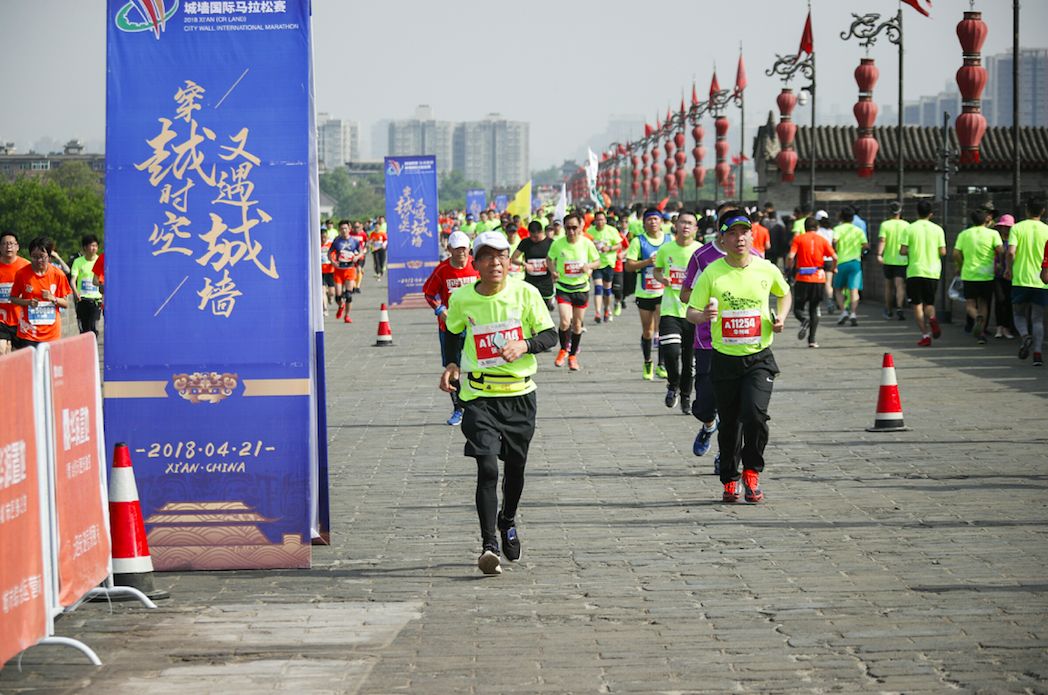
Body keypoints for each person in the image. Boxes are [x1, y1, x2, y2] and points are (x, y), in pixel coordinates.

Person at [439, 231, 557, 575]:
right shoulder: (462, 298)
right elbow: (452, 331)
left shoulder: (526, 293)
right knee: (488, 467)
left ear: (510, 261)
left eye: (501, 256)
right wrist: (451, 363)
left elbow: (550, 335)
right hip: (479, 395)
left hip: (520, 395)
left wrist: (525, 345)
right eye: (487, 256)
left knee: (515, 469)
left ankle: (508, 519)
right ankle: (488, 544)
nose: (495, 262)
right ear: (475, 263)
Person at [687, 210, 791, 504]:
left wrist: (780, 316)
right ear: (722, 237)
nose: (739, 238)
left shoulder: (765, 268)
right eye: (732, 233)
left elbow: (784, 293)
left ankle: (752, 472)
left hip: (758, 357)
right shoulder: (712, 273)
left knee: (755, 416)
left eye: (744, 232)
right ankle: (730, 479)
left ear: (752, 235)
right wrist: (704, 315)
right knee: (730, 422)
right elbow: (691, 312)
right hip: (724, 357)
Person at [424, 231, 480, 425]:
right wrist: (440, 310)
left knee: (478, 365)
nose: (461, 253)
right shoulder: (442, 270)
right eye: (456, 249)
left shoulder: (477, 266)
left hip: (476, 327)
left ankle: (477, 406)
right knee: (453, 368)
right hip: (450, 327)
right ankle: (458, 409)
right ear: (449, 250)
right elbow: (429, 293)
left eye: (464, 249)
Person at [653, 208, 701, 412]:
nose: (686, 226)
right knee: (671, 353)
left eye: (690, 223)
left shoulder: (701, 251)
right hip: (670, 310)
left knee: (689, 361)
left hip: (693, 312)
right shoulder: (666, 249)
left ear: (695, 228)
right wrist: (661, 278)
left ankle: (686, 397)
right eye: (683, 222)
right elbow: (656, 270)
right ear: (676, 225)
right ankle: (673, 384)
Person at [547, 212, 600, 371]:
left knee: (577, 325)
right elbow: (549, 259)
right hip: (563, 287)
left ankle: (573, 356)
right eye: (568, 228)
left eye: (574, 228)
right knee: (564, 321)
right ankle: (563, 349)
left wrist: (588, 267)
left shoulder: (586, 243)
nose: (571, 231)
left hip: (581, 288)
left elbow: (597, 261)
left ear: (581, 226)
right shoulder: (558, 244)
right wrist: (553, 271)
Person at [625, 209, 670, 380]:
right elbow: (629, 266)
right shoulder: (638, 241)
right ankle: (647, 361)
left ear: (661, 222)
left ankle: (662, 364)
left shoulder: (669, 240)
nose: (653, 222)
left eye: (655, 219)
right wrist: (646, 263)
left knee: (663, 329)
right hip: (644, 291)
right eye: (649, 219)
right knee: (648, 331)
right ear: (644, 223)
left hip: (663, 291)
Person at [1006, 198, 1048, 366]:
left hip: (1021, 279)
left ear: (1027, 211)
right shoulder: (1047, 230)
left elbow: (1010, 252)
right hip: (1042, 281)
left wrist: (1008, 268)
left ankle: (1025, 336)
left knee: (1018, 314)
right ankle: (1037, 354)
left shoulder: (1017, 228)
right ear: (1043, 211)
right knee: (1037, 319)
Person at [11, 237, 73, 348]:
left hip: (51, 333)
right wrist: (28, 302)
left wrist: (53, 298)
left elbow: (66, 303)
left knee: (49, 365)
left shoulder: (58, 274)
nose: (38, 260)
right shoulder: (22, 274)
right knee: (31, 365)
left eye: (42, 257)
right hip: (28, 332)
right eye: (34, 257)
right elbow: (13, 298)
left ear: (49, 256)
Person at [900, 200, 947, 347]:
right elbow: (943, 252)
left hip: (914, 270)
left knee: (917, 305)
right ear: (931, 214)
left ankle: (925, 335)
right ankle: (932, 319)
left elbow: (902, 250)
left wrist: (912, 250)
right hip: (932, 271)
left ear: (916, 212)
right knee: (929, 302)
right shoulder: (938, 229)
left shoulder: (909, 228)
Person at [953, 209, 1002, 344]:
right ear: (986, 220)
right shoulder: (993, 234)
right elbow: (1000, 250)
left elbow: (956, 253)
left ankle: (976, 318)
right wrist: (997, 263)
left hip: (969, 274)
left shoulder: (964, 234)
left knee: (970, 304)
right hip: (987, 275)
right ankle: (981, 333)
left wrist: (961, 265)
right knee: (984, 303)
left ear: (972, 220)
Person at [787, 216, 837, 348]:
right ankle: (812, 340)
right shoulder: (823, 240)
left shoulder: (798, 239)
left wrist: (790, 268)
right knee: (814, 309)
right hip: (818, 278)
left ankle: (804, 321)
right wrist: (834, 267)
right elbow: (834, 256)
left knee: (797, 308)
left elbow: (791, 256)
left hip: (802, 278)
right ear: (817, 227)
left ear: (805, 228)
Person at [832, 208, 869, 327]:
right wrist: (860, 251)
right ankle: (853, 313)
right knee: (854, 290)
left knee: (838, 288)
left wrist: (836, 249)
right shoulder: (858, 231)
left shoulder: (837, 229)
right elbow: (866, 245)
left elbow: (834, 241)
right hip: (855, 262)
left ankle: (843, 311)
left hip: (841, 262)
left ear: (841, 217)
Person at [876, 201, 909, 320]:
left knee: (888, 286)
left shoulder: (885, 225)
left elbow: (882, 240)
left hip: (888, 260)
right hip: (903, 260)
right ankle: (900, 307)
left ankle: (889, 310)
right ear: (900, 211)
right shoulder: (907, 225)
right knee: (900, 286)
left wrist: (879, 254)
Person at [511, 220, 555, 310]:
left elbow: (558, 260)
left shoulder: (551, 243)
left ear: (541, 232)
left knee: (543, 311)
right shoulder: (525, 242)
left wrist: (551, 265)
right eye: (531, 236)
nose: (533, 239)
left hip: (545, 283)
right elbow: (513, 258)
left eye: (536, 236)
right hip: (530, 282)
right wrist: (524, 264)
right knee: (530, 309)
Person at [589, 211, 622, 323]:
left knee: (607, 290)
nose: (600, 222)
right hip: (596, 263)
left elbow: (619, 245)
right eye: (598, 220)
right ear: (595, 221)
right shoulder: (590, 231)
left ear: (605, 220)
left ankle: (607, 308)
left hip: (608, 263)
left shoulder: (612, 231)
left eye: (602, 219)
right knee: (598, 288)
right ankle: (597, 312)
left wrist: (609, 248)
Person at [0, 231, 30, 355]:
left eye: (11, 244)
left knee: (18, 354)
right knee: (2, 350)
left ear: (17, 247)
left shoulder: (26, 266)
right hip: (1, 319)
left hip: (20, 319)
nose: (8, 247)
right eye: (5, 244)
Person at [329, 220, 363, 323]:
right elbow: (329, 253)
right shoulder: (336, 241)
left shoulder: (354, 241)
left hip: (350, 269)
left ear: (349, 229)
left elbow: (361, 251)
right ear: (339, 230)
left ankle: (347, 316)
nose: (344, 230)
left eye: (346, 228)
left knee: (348, 295)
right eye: (342, 229)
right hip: (339, 270)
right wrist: (333, 262)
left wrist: (357, 257)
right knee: (338, 296)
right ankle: (340, 306)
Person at [69, 234, 103, 336]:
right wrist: (75, 292)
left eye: (96, 246)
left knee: (94, 327)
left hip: (96, 300)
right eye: (91, 245)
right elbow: (73, 280)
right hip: (82, 299)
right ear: (85, 247)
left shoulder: (100, 260)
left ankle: (93, 349)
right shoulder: (78, 262)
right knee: (84, 329)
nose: (94, 248)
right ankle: (84, 351)